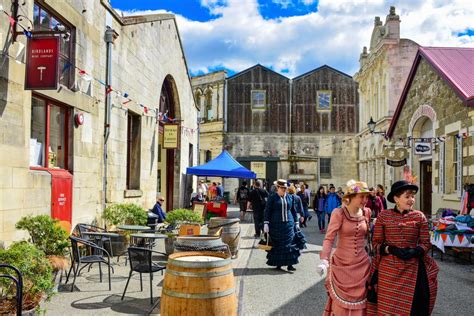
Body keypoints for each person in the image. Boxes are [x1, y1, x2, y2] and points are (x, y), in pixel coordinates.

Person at [366, 180, 439, 315]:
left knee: (414, 308)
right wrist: (391, 249)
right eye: (407, 196)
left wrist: (415, 251)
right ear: (396, 198)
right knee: (388, 308)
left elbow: (426, 243)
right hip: (388, 271)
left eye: (412, 196)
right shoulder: (384, 216)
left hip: (413, 268)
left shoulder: (419, 216)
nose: (411, 199)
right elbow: (375, 244)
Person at [317, 180, 371, 315]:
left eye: (367, 196)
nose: (365, 200)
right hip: (342, 265)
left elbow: (368, 238)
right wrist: (324, 260)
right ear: (351, 197)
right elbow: (329, 238)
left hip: (362, 266)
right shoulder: (339, 213)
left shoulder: (367, 212)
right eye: (361, 196)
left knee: (362, 305)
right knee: (341, 307)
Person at [263, 179, 301, 271]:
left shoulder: (290, 197)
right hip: (276, 225)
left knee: (290, 245)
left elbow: (293, 210)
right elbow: (267, 210)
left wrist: (296, 222)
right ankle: (278, 264)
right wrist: (266, 223)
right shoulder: (272, 197)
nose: (284, 189)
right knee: (278, 245)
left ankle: (290, 264)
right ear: (278, 188)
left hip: (288, 224)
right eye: (282, 188)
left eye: (285, 188)